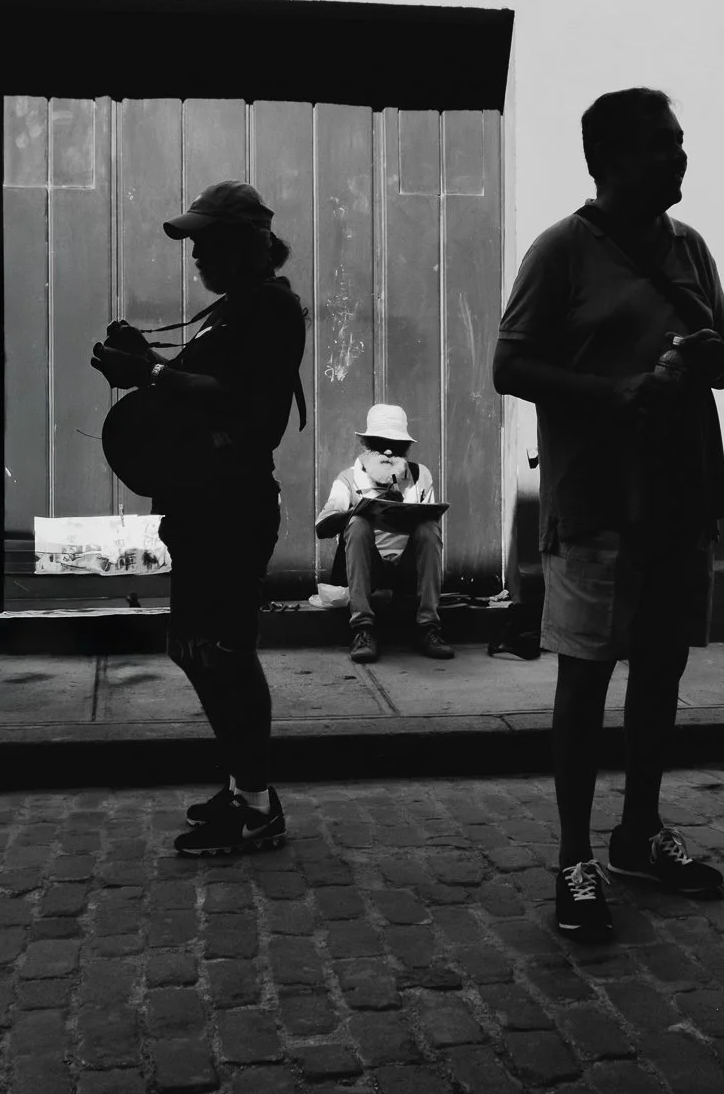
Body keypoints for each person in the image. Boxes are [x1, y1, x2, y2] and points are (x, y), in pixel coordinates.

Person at [494, 87, 724, 944]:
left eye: (680, 144)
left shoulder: (692, 247)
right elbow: (510, 364)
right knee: (585, 679)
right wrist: (614, 393)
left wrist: (718, 357)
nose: (679, 160)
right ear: (608, 160)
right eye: (661, 148)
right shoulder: (562, 251)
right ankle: (573, 855)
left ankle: (639, 830)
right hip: (598, 500)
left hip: (682, 497)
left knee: (662, 670)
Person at [91, 180, 307, 857]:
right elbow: (190, 394)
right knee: (198, 651)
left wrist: (151, 373)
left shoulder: (271, 308)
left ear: (245, 243)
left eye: (206, 242)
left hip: (232, 508)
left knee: (225, 655)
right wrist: (140, 363)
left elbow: (247, 405)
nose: (195, 256)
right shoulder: (231, 310)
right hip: (200, 504)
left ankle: (257, 805)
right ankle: (245, 787)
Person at [315, 403, 454, 663]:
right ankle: (363, 629)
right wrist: (358, 511)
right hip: (369, 570)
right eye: (380, 443)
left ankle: (429, 627)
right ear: (366, 446)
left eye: (397, 445)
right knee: (357, 525)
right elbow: (322, 527)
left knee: (428, 527)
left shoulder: (419, 475)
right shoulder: (348, 478)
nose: (389, 451)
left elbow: (428, 531)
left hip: (407, 569)